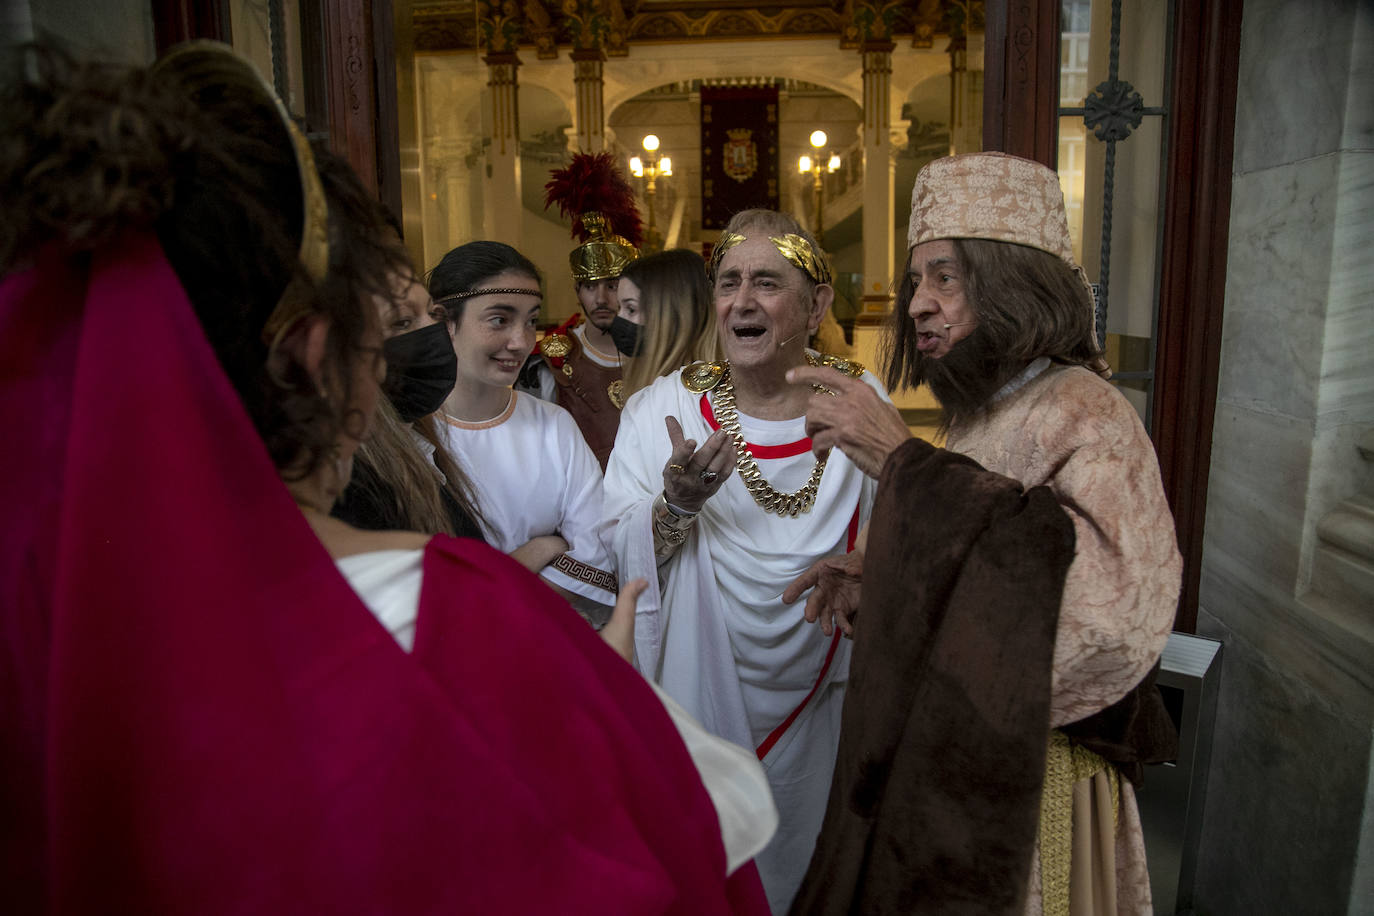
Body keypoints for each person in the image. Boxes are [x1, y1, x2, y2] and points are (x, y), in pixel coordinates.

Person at [0, 42, 774, 912]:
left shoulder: (49, 628)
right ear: (312, 358)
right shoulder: (450, 620)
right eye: (377, 339)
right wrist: (599, 702)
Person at [785, 151, 1181, 915]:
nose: (918, 306)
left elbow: (1110, 619)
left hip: (1031, 779)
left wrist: (902, 462)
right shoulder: (982, 414)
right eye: (915, 282)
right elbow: (980, 556)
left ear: (1012, 283)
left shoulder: (1087, 411)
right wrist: (882, 573)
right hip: (950, 769)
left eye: (946, 277)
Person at [603, 209, 890, 914]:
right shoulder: (663, 408)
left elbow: (903, 519)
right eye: (729, 282)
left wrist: (868, 563)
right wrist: (676, 506)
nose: (742, 301)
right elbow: (616, 548)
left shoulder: (860, 403)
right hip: (696, 685)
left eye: (767, 282)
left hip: (823, 695)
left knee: (812, 869)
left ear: (816, 305)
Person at [430, 240, 619, 626]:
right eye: (499, 320)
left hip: (541, 638)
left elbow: (596, 551)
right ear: (446, 322)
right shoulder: (409, 438)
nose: (521, 342)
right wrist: (537, 550)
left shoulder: (553, 426)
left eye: (531, 321)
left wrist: (492, 603)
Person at [521, 152, 644, 468]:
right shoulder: (549, 363)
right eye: (590, 286)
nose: (601, 298)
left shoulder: (655, 353)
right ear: (577, 291)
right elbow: (533, 453)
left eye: (612, 285)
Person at [612, 247, 720, 400]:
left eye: (631, 309)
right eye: (618, 308)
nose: (618, 319)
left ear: (672, 316)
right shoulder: (648, 386)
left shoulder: (693, 399)